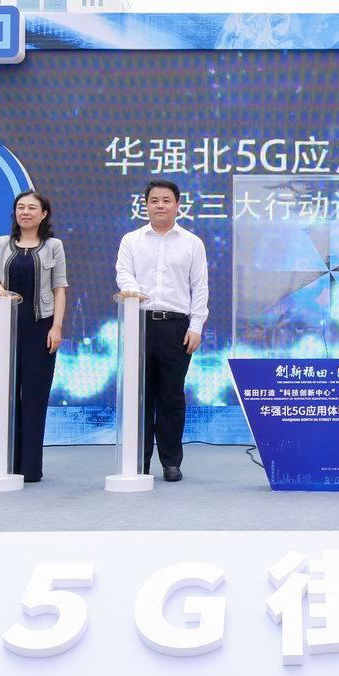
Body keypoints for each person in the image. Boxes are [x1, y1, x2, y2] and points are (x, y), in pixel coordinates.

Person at [116, 179, 209, 482]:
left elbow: (200, 288)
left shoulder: (192, 243)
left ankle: (171, 462)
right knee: (139, 396)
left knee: (171, 396)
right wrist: (134, 292)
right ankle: (138, 462)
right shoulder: (131, 240)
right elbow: (123, 273)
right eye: (154, 200)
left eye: (166, 200)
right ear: (145, 205)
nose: (160, 205)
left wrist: (196, 327)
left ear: (177, 205)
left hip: (176, 327)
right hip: (139, 322)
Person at [0, 190, 68, 484]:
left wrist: (56, 327)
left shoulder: (54, 246)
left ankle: (31, 467)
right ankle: (6, 462)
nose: (25, 212)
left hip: (40, 326)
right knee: (7, 394)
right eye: (20, 207)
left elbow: (60, 288)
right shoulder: (1, 244)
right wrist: (0, 291)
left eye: (32, 208)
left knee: (34, 396)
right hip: (7, 326)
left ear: (43, 214)